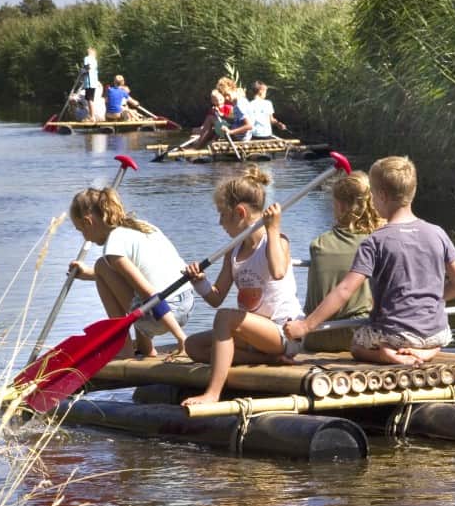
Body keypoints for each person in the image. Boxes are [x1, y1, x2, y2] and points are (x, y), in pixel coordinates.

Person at [285, 156, 455, 365]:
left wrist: (306, 325)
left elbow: (344, 290)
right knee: (436, 336)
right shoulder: (438, 233)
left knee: (357, 345)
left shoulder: (376, 241)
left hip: (393, 335)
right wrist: (430, 303)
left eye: (372, 194)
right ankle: (428, 352)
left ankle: (385, 355)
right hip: (437, 333)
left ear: (381, 196)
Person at [180, 166, 303, 406]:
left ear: (239, 212)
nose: (219, 222)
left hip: (282, 332)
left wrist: (274, 228)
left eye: (221, 214)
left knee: (224, 318)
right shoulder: (233, 252)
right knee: (192, 345)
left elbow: (278, 271)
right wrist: (200, 281)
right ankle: (270, 360)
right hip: (253, 336)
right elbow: (216, 298)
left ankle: (213, 393)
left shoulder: (276, 240)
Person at [68, 186, 194, 358]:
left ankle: (124, 349)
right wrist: (89, 274)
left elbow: (148, 292)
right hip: (186, 303)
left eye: (81, 230)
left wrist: (181, 338)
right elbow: (140, 274)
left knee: (101, 266)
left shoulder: (113, 247)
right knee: (107, 272)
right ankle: (146, 348)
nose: (85, 237)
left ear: (88, 222)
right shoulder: (141, 226)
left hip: (167, 312)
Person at [302, 171, 383, 352]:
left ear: (339, 206)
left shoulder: (319, 244)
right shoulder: (379, 241)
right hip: (358, 336)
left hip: (316, 338)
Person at [216, 76, 253, 142]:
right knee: (218, 123)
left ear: (233, 89)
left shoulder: (239, 104)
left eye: (227, 94)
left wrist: (230, 132)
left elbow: (249, 125)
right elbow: (237, 118)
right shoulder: (239, 101)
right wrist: (222, 115)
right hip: (240, 134)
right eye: (224, 96)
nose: (226, 98)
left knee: (215, 124)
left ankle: (199, 145)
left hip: (240, 138)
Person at [82, 47, 100, 122]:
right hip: (94, 82)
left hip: (89, 83)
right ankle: (91, 115)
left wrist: (82, 71)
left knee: (89, 100)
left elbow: (87, 67)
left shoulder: (87, 58)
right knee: (90, 99)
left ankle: (92, 117)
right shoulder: (95, 60)